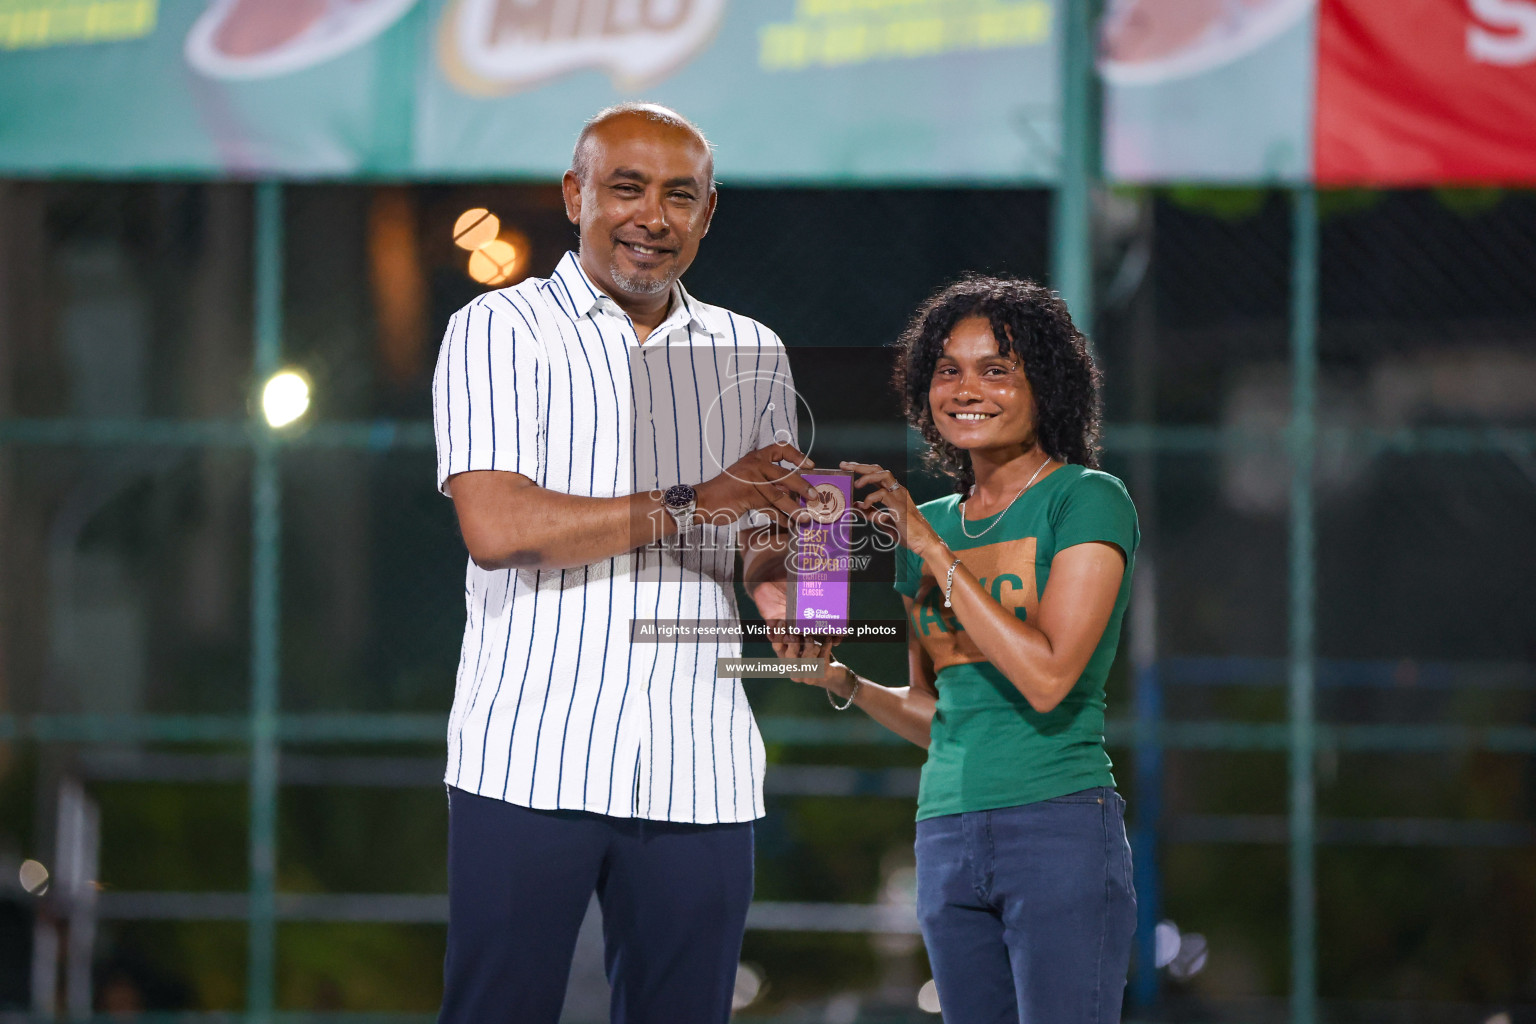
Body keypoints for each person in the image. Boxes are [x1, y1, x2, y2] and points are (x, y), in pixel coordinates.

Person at [431, 102, 813, 1024]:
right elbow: (497, 524)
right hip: (530, 756)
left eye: (680, 196)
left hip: (701, 764)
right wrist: (694, 502)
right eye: (627, 188)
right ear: (576, 194)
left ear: (707, 213)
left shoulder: (753, 349)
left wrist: (797, 585)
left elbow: (792, 536)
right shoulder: (499, 331)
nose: (653, 217)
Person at [773, 275, 1139, 1022]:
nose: (966, 388)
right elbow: (936, 713)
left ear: (1048, 385)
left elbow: (1047, 679)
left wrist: (933, 550)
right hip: (944, 833)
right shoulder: (929, 523)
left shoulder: (1086, 499)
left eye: (996, 368)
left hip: (1057, 823)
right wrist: (840, 679)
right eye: (948, 369)